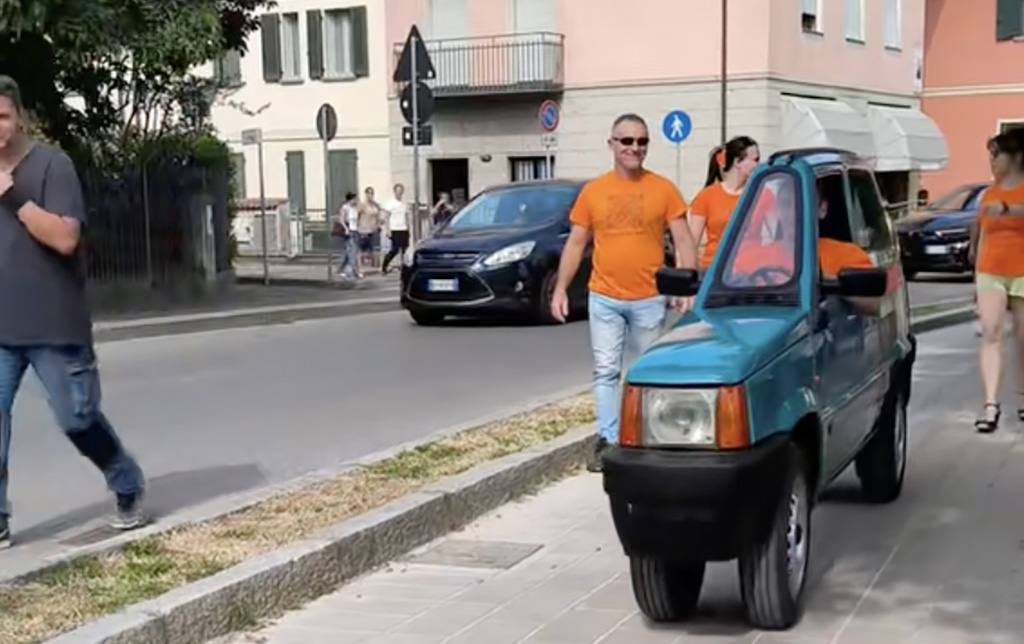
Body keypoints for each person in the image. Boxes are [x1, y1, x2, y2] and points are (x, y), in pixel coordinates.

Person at [0, 76, 147, 548]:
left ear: (20, 118)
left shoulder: (52, 167)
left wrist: (11, 195)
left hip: (52, 322)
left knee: (77, 419)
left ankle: (126, 482)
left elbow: (65, 238)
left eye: (2, 116)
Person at [550, 113, 698, 471]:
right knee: (605, 371)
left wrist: (687, 286)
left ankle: (648, 437)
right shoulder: (594, 192)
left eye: (641, 141)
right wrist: (560, 289)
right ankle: (608, 439)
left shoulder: (663, 189)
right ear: (612, 144)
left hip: (649, 298)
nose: (635, 147)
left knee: (647, 373)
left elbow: (683, 240)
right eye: (627, 141)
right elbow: (576, 243)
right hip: (604, 297)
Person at [969, 129, 1024, 433]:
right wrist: (976, 275)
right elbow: (981, 235)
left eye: (997, 155)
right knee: (991, 333)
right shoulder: (989, 194)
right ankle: (991, 405)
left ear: (1016, 157)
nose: (992, 162)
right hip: (990, 272)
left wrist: (1007, 209)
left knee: (1022, 337)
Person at [688, 136, 761, 270]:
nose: (758, 165)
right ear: (738, 162)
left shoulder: (762, 194)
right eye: (755, 160)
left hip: (752, 273)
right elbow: (691, 243)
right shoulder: (707, 196)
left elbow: (777, 238)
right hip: (714, 271)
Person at [382, 183, 410, 274]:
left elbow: (406, 216)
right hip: (395, 228)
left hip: (403, 228)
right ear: (394, 192)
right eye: (398, 191)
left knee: (404, 249)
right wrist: (387, 230)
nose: (399, 193)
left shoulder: (404, 203)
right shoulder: (390, 203)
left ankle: (403, 267)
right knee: (395, 249)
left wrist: (408, 228)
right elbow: (386, 217)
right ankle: (385, 265)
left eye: (401, 191)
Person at [336, 192, 361, 280]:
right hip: (349, 231)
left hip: (355, 231)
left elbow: (357, 220)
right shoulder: (345, 207)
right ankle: (352, 272)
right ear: (350, 199)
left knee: (349, 252)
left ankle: (341, 269)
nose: (356, 201)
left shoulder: (355, 208)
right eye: (355, 199)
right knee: (352, 252)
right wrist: (346, 228)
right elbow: (341, 219)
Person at [357, 187, 381, 269]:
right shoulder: (362, 205)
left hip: (373, 229)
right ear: (366, 194)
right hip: (364, 230)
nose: (370, 195)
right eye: (369, 193)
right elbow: (357, 215)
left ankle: (375, 267)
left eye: (372, 193)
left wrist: (378, 224)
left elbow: (378, 215)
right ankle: (360, 268)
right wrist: (357, 226)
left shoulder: (375, 205)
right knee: (362, 250)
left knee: (374, 249)